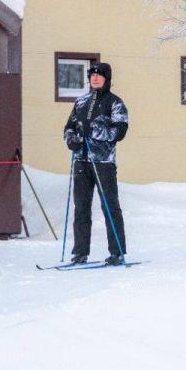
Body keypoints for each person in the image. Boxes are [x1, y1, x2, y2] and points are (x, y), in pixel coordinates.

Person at [63, 62, 130, 266]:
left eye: (99, 75)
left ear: (107, 78)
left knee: (109, 206)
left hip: (103, 162)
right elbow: (69, 127)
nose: (94, 78)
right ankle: (80, 252)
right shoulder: (81, 102)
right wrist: (71, 139)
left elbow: (119, 132)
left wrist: (94, 131)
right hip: (81, 161)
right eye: (91, 75)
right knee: (81, 207)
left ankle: (116, 252)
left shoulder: (115, 103)